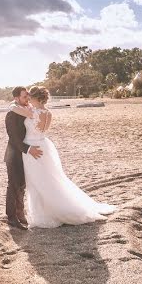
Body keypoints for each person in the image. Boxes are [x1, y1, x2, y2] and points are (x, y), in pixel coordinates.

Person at [9, 86, 116, 227]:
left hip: (33, 148)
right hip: (44, 145)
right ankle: (52, 208)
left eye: (30, 97)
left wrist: (13, 102)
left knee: (37, 181)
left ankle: (45, 213)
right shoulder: (48, 113)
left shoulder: (33, 112)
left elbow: (13, 109)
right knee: (50, 178)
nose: (28, 99)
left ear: (35, 98)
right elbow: (42, 130)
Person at [4, 86, 43, 230]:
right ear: (16, 98)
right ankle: (11, 218)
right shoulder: (12, 114)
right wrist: (28, 149)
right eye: (24, 97)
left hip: (25, 156)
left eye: (28, 96)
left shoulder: (25, 110)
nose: (27, 99)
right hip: (14, 155)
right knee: (13, 186)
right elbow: (13, 138)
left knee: (22, 186)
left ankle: (20, 214)